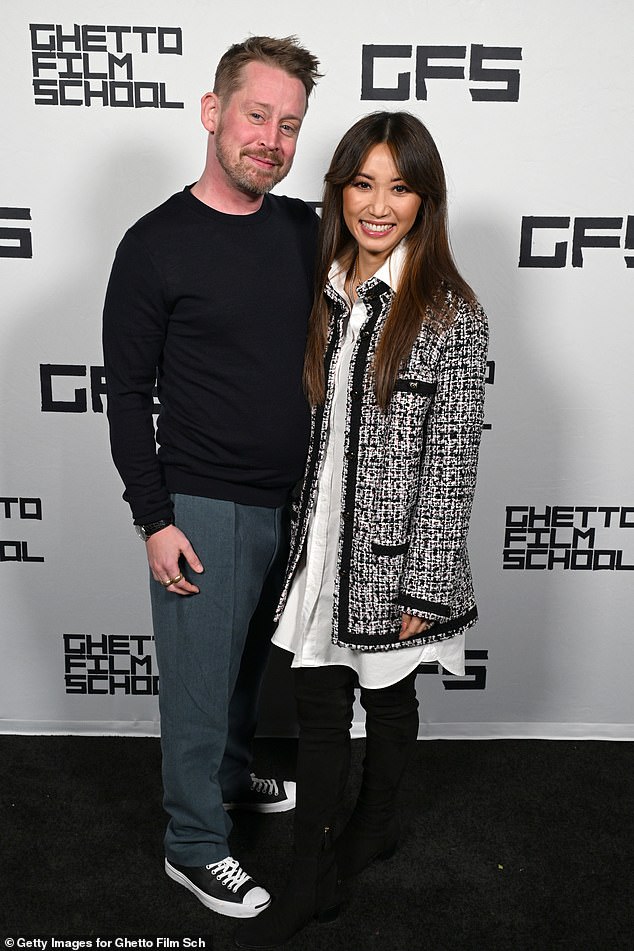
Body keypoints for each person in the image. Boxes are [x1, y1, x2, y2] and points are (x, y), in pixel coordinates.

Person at [235, 110, 489, 948]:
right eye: (362, 183)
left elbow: (452, 464)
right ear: (339, 188)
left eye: (400, 187)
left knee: (388, 693)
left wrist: (427, 576)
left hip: (392, 559)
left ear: (426, 200)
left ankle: (375, 824)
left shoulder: (452, 313)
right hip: (321, 544)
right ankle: (312, 876)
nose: (378, 205)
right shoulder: (331, 287)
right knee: (317, 705)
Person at [102, 36, 321, 919]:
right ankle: (194, 844)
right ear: (213, 112)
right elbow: (127, 394)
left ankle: (231, 776)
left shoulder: (306, 230)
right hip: (202, 503)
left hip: (291, 499)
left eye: (290, 124)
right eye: (257, 114)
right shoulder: (154, 244)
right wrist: (155, 518)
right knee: (197, 684)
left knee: (237, 674)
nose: (271, 137)